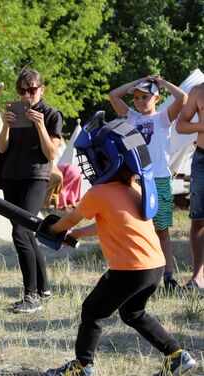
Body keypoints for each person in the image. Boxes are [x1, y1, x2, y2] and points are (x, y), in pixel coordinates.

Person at [44, 112, 196, 376]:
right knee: (133, 313)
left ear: (107, 160)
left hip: (130, 269)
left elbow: (69, 218)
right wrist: (77, 235)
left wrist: (51, 227)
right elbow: (111, 224)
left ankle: (82, 366)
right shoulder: (134, 188)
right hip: (154, 267)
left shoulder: (99, 193)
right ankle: (177, 355)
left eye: (94, 157)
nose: (89, 163)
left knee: (91, 311)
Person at [109, 76, 187, 291]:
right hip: (135, 179)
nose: (140, 101)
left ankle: (168, 277)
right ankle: (140, 276)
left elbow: (183, 98)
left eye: (145, 97)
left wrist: (162, 83)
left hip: (158, 179)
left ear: (156, 98)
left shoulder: (163, 118)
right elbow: (113, 95)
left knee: (161, 230)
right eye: (136, 97)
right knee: (136, 229)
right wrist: (137, 81)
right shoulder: (131, 117)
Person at [0, 68, 63, 312]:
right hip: (10, 177)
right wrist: (5, 126)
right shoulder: (14, 113)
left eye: (32, 90)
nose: (27, 95)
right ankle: (44, 289)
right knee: (27, 233)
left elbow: (52, 153)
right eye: (22, 91)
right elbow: (2, 149)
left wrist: (40, 126)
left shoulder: (52, 114)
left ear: (41, 90)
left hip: (36, 177)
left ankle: (31, 296)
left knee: (21, 232)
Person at [176, 83, 204, 290]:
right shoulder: (198, 91)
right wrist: (202, 125)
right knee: (198, 220)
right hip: (202, 159)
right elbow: (181, 125)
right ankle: (198, 278)